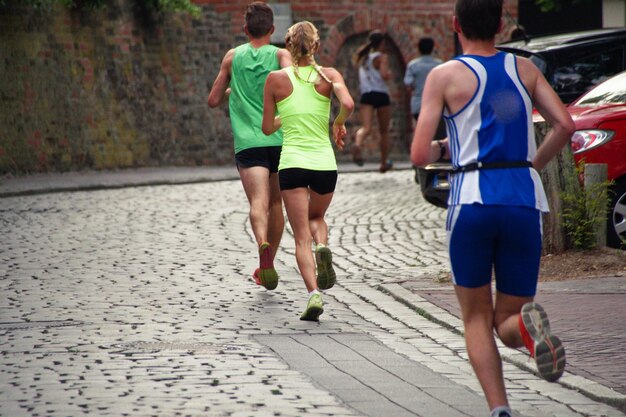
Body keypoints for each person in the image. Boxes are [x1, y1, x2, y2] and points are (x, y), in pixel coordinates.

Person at [410, 1, 575, 416]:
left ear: (455, 25)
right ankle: (527, 329)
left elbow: (417, 153)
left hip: (472, 200)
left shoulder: (444, 76)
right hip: (522, 200)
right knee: (509, 317)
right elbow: (566, 125)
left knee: (476, 319)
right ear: (501, 25)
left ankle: (500, 409)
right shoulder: (526, 70)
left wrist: (445, 146)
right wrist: (530, 165)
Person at [262, 21, 354, 321]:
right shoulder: (329, 76)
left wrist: (285, 117)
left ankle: (313, 294)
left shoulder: (276, 79)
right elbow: (349, 104)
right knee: (318, 219)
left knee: (300, 236)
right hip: (324, 165)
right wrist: (338, 122)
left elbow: (266, 128)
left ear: (287, 46)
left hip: (292, 165)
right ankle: (323, 246)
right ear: (316, 46)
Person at [207, 1, 292, 290]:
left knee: (258, 202)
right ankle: (268, 261)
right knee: (277, 202)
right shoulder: (281, 54)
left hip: (248, 142)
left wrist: (234, 90)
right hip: (279, 139)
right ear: (272, 29)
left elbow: (213, 99)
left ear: (245, 29)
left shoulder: (233, 57)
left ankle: (261, 244)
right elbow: (292, 86)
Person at [352, 30, 393, 173]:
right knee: (384, 131)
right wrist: (389, 74)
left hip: (366, 95)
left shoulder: (363, 58)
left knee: (366, 128)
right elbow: (383, 74)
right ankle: (383, 163)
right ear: (381, 43)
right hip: (381, 94)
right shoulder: (382, 57)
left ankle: (358, 144)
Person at [403, 37, 446, 141]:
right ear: (432, 48)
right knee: (435, 133)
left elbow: (408, 85)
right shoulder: (440, 65)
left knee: (420, 131)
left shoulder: (413, 65)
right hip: (436, 105)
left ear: (418, 49)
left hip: (418, 104)